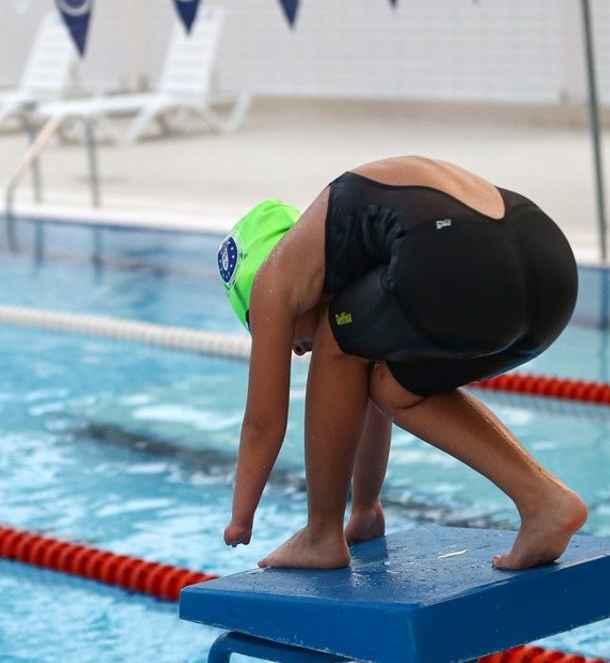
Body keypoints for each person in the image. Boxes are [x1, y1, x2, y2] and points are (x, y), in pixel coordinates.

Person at [217, 155, 588, 569]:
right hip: (550, 271)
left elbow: (263, 421)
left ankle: (321, 535)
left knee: (337, 343)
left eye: (277, 334)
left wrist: (240, 518)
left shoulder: (273, 276)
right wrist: (366, 510)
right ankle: (545, 502)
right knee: (393, 387)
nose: (294, 348)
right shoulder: (365, 257)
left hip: (463, 254)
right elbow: (363, 392)